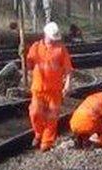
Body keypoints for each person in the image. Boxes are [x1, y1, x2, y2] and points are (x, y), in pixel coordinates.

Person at [25, 22, 74, 151]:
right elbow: (28, 64)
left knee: (52, 118)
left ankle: (47, 142)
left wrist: (68, 83)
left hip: (55, 90)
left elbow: (68, 69)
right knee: (35, 113)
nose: (54, 41)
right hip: (38, 89)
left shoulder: (61, 49)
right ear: (46, 35)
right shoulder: (36, 48)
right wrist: (23, 55)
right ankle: (39, 133)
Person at [70, 81, 102, 148]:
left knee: (97, 117)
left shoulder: (93, 96)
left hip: (74, 124)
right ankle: (100, 142)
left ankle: (82, 139)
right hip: (87, 125)